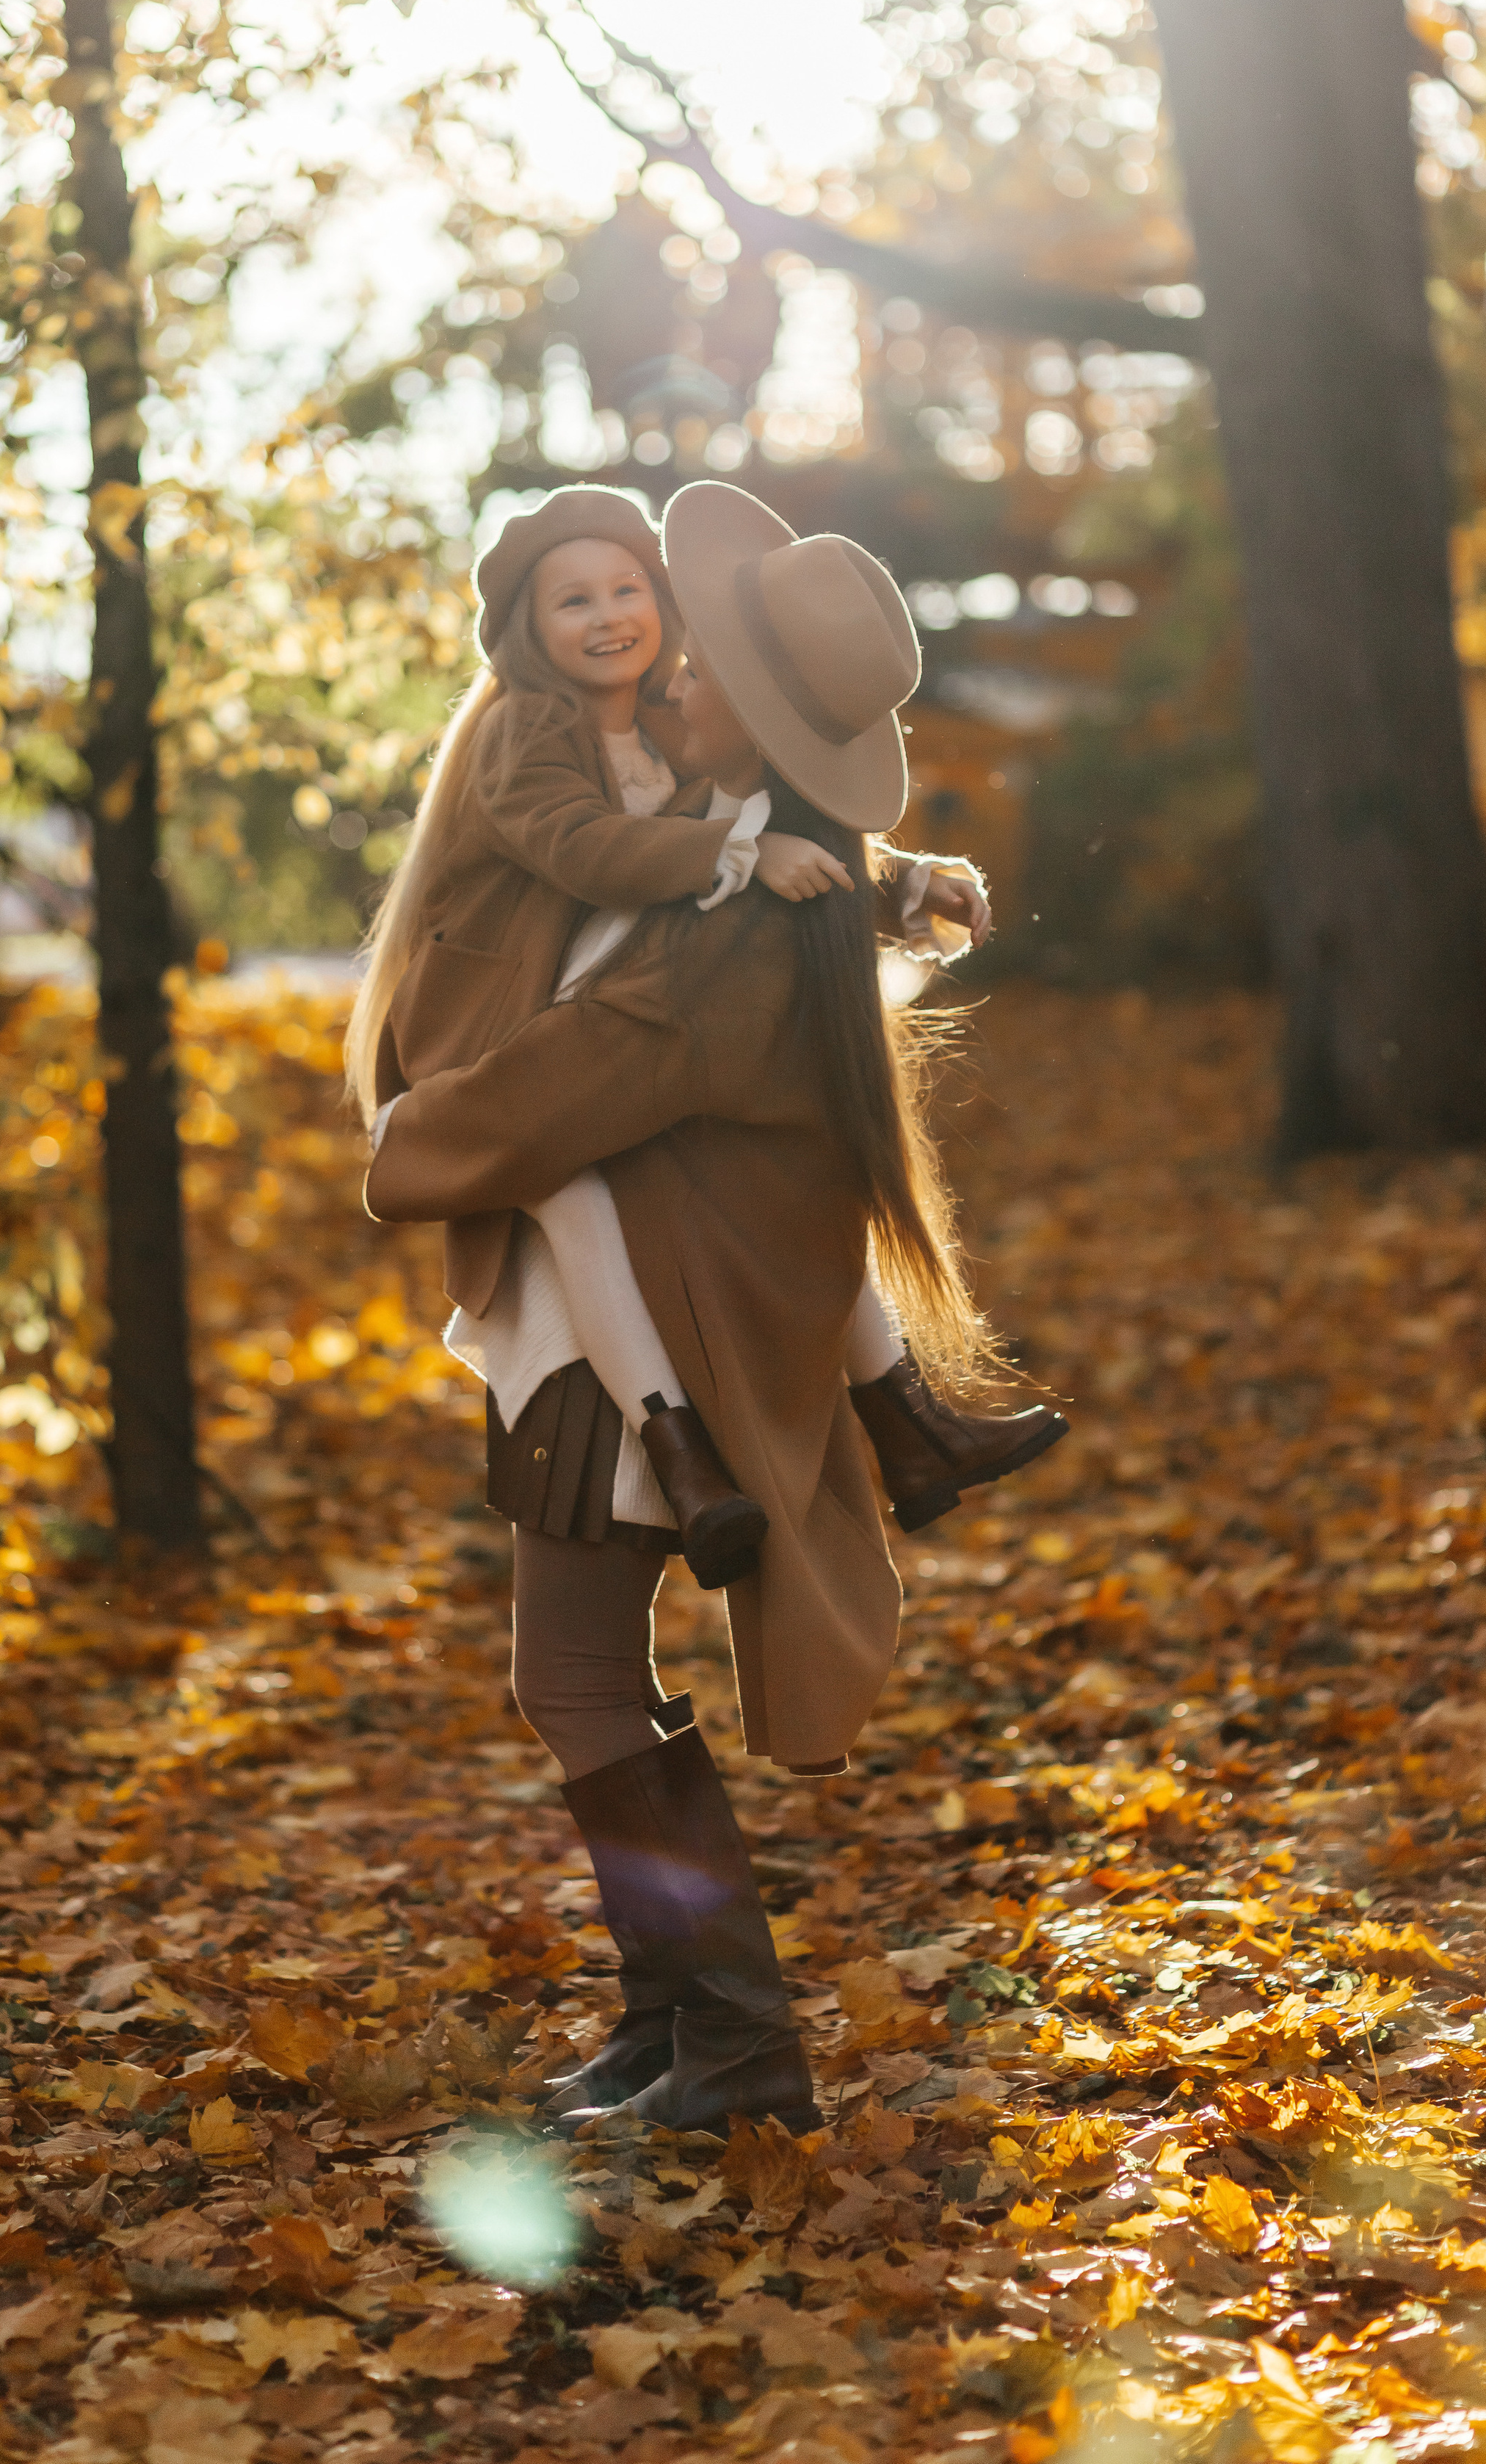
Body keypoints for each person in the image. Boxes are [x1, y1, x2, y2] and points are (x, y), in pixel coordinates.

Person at [365, 483, 1063, 2135]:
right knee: (575, 1678)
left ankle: (735, 2047)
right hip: (630, 1311)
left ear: (734, 709)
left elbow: (546, 1095)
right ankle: (675, 2022)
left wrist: (412, 1141)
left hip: (626, 1347)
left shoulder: (715, 929)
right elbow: (702, 853)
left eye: (689, 644)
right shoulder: (749, 865)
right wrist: (890, 882)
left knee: (576, 1679)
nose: (656, 646)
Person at [347, 486, 1065, 1592]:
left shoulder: (667, 724)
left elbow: (775, 833)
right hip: (489, 1037)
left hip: (593, 1015)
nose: (606, 616)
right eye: (571, 600)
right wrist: (736, 855)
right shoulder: (523, 730)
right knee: (574, 1200)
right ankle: (675, 1449)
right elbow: (589, 852)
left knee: (798, 1161)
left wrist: (903, 883)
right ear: (528, 630)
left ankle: (912, 1419)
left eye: (627, 589)